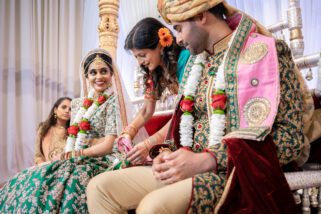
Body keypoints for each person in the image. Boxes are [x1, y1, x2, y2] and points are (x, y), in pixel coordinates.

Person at [87, 1, 310, 213]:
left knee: (152, 208)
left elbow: (292, 138)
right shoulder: (195, 63)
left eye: (179, 28)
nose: (177, 39)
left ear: (201, 16)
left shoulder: (265, 52)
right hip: (186, 166)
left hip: (232, 171)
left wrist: (209, 159)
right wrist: (164, 154)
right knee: (99, 188)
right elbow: (182, 128)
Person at [0, 49, 128, 213]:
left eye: (104, 71)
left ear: (112, 74)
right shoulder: (77, 104)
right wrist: (68, 154)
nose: (99, 77)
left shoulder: (114, 101)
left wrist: (74, 154)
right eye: (93, 72)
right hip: (79, 156)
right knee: (32, 174)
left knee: (70, 175)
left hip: (104, 158)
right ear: (86, 77)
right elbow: (74, 138)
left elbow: (109, 146)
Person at [117, 17, 190, 165]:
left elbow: (185, 110)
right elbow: (146, 111)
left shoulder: (185, 60)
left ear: (160, 45)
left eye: (142, 55)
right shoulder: (154, 71)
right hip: (181, 123)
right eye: (136, 57)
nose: (139, 62)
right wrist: (127, 133)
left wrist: (148, 144)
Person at [34, 97, 71, 165]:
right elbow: (38, 156)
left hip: (64, 166)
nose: (67, 111)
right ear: (55, 110)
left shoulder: (73, 132)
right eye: (63, 107)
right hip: (44, 167)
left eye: (70, 109)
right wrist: (43, 165)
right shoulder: (44, 128)